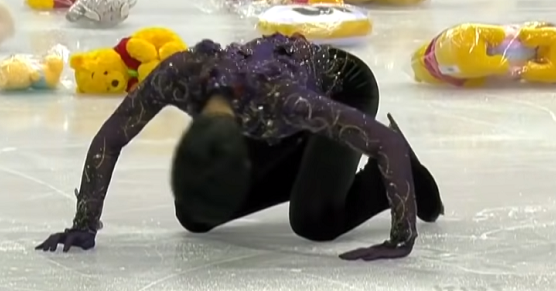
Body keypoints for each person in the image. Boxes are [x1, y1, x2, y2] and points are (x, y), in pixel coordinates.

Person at [36, 34, 444, 261]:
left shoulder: (286, 102)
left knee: (315, 222)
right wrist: (84, 223)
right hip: (279, 112)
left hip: (343, 90)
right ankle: (312, 166)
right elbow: (112, 136)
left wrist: (401, 238)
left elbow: (383, 141)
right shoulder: (177, 76)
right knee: (193, 214)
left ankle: (383, 181)